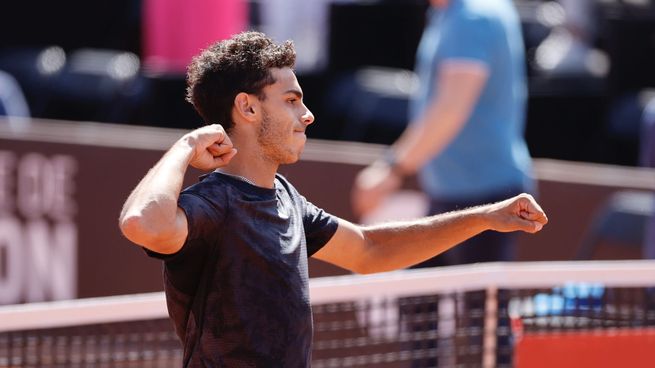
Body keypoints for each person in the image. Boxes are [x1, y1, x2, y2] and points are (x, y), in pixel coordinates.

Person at [118, 31, 548, 367]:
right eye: (291, 101)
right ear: (247, 109)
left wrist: (486, 217)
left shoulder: (287, 199)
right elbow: (142, 222)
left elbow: (370, 249)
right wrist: (186, 146)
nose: (307, 115)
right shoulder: (213, 206)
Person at [353, 0, 534, 268]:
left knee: (479, 310)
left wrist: (392, 169)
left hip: (483, 197)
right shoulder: (451, 14)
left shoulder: (472, 18)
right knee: (423, 304)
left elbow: (451, 108)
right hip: (453, 193)